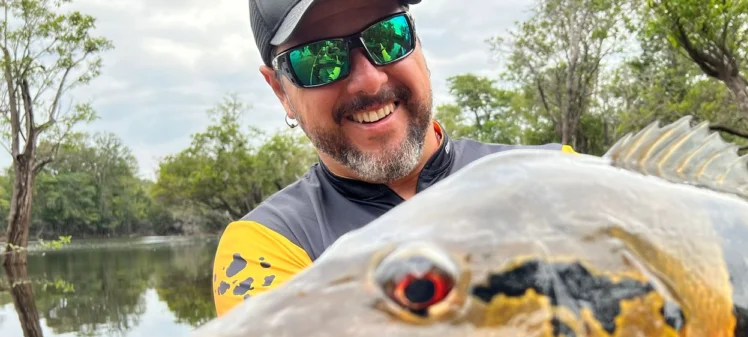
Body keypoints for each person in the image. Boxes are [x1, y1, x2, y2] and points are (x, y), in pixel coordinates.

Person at [212, 0, 575, 317]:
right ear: (280, 91)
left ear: (416, 40)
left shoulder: (561, 175)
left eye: (388, 36)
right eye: (320, 60)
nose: (369, 80)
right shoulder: (264, 248)